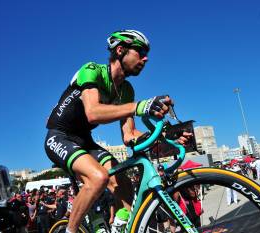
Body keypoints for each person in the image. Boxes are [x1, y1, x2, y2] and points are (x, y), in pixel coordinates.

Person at [44, 30, 192, 233]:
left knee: (123, 184)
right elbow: (93, 113)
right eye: (140, 51)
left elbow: (129, 135)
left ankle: (119, 227)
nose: (145, 58)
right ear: (120, 50)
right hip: (59, 136)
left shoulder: (126, 90)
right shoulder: (92, 70)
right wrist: (139, 106)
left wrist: (168, 136)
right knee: (99, 177)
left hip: (85, 142)